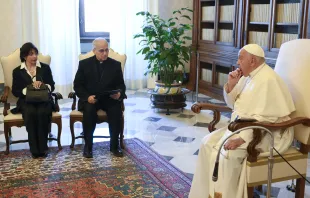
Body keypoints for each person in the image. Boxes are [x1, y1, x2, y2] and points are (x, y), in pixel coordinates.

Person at [189, 44, 295, 198]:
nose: (238, 62)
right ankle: (205, 195)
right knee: (206, 143)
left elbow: (268, 119)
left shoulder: (268, 80)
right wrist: (231, 85)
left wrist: (243, 139)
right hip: (241, 129)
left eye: (241, 58)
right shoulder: (248, 77)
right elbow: (234, 105)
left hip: (266, 134)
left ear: (252, 60)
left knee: (229, 154)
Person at [74, 38, 126, 158]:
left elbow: (121, 85)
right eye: (101, 51)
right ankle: (88, 146)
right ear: (94, 51)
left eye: (106, 50)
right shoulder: (84, 64)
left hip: (109, 99)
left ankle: (114, 146)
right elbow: (77, 85)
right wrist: (87, 97)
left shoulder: (115, 65)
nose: (105, 53)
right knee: (89, 111)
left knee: (116, 110)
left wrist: (119, 94)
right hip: (91, 99)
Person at [12, 42, 56, 158]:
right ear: (24, 56)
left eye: (35, 53)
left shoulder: (45, 68)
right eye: (31, 54)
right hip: (26, 101)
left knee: (42, 113)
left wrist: (43, 85)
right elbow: (15, 91)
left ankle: (43, 149)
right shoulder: (17, 71)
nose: (34, 57)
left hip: (44, 100)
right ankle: (34, 150)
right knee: (31, 113)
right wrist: (29, 88)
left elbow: (52, 85)